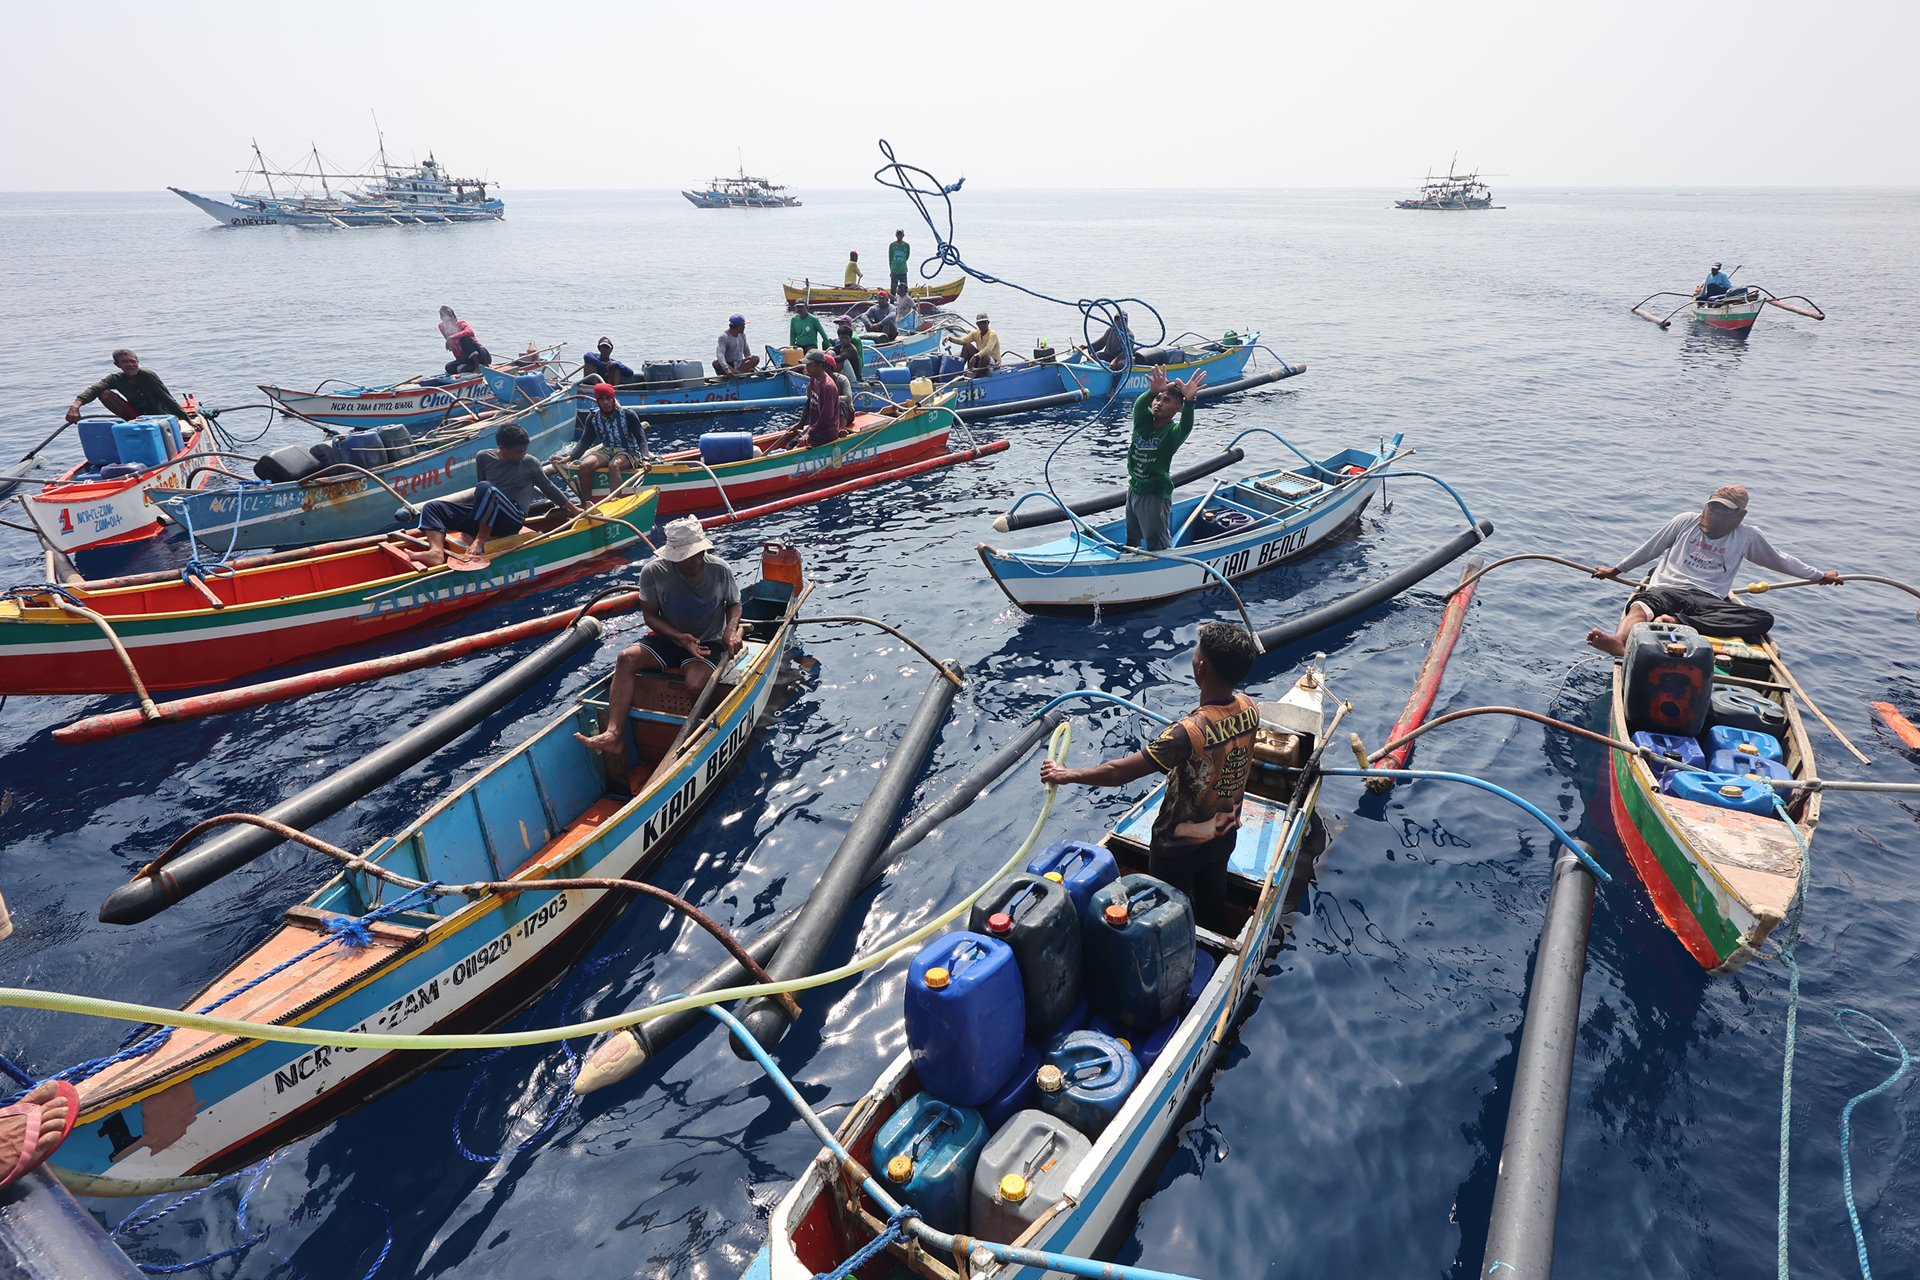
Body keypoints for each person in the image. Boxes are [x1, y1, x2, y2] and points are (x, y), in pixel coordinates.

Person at [1039, 621, 1262, 933]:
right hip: (1223, 834)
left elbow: (1119, 772)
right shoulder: (1251, 708)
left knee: (1166, 915)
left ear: (1201, 666)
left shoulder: (1186, 733)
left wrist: (1068, 774)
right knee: (1213, 900)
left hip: (1177, 849)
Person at [1584, 486, 1841, 654]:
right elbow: (1650, 548)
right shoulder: (1686, 521)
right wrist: (1616, 570)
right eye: (1714, 506)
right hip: (1667, 589)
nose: (1717, 513)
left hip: (1708, 601)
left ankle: (1675, 623)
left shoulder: (1747, 536)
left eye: (1725, 510)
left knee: (1761, 620)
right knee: (1640, 607)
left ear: (1740, 515)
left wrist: (1818, 575)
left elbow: (1781, 560)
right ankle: (1620, 641)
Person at [575, 517, 744, 759]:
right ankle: (614, 734)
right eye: (688, 556)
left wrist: (729, 631)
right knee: (625, 659)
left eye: (699, 554)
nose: (695, 561)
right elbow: (651, 616)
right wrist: (679, 637)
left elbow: (735, 603)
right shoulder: (653, 572)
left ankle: (705, 732)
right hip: (669, 638)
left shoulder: (719, 569)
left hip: (708, 642)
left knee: (695, 684)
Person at [408, 422, 579, 567]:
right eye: (519, 451)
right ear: (502, 449)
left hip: (512, 518)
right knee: (433, 507)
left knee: (487, 488)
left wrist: (574, 510)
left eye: (525, 450)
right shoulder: (484, 458)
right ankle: (436, 552)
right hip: (488, 514)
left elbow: (549, 488)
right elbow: (481, 494)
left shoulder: (530, 463)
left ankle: (481, 538)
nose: (523, 455)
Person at [1124, 366, 1209, 550]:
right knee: (1132, 536)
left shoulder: (1171, 434)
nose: (1159, 403)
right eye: (1157, 398)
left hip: (1154, 495)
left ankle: (1161, 567)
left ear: (1177, 408)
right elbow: (1139, 405)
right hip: (1134, 489)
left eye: (1166, 400)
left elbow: (1186, 426)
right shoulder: (1142, 422)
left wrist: (1190, 400)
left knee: (1157, 543)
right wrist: (1151, 391)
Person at [559, 382, 648, 505]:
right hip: (607, 450)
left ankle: (615, 502)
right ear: (597, 401)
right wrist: (569, 457)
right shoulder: (593, 417)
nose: (606, 402)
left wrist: (645, 458)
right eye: (602, 399)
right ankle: (587, 504)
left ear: (613, 399)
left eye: (608, 398)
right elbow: (585, 441)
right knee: (584, 466)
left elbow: (641, 438)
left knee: (614, 466)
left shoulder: (628, 414)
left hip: (629, 451)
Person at [65, 349, 193, 424]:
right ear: (117, 365)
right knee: (104, 393)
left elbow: (167, 399)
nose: (130, 365)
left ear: (138, 362)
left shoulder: (147, 375)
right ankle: (133, 426)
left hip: (162, 417)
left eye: (133, 361)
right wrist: (75, 406)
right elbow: (95, 389)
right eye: (125, 362)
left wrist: (188, 420)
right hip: (138, 418)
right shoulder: (116, 379)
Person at [775, 351, 843, 450]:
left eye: (809, 365)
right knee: (789, 445)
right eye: (806, 365)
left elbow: (826, 418)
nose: (806, 368)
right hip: (814, 429)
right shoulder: (813, 379)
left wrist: (809, 433)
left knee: (795, 450)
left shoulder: (828, 387)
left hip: (825, 433)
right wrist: (800, 423)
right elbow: (809, 404)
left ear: (820, 365)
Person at [438, 306, 492, 374]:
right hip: (467, 358)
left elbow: (470, 331)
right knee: (449, 367)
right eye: (446, 317)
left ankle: (477, 367)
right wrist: (458, 361)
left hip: (481, 355)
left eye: (451, 316)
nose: (449, 319)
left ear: (454, 317)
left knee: (465, 339)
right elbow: (454, 348)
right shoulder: (442, 327)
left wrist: (451, 337)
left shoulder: (461, 324)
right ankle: (471, 368)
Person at [830, 316, 865, 380]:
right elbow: (832, 350)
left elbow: (839, 358)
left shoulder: (851, 350)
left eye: (846, 338)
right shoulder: (840, 346)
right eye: (842, 338)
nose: (844, 340)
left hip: (855, 378)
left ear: (850, 339)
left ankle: (832, 375)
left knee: (844, 361)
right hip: (845, 374)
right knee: (831, 352)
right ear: (839, 337)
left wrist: (824, 359)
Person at [888, 230, 911, 297]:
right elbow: (890, 258)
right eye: (898, 234)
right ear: (896, 235)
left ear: (903, 235)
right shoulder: (892, 245)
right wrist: (891, 270)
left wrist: (901, 262)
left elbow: (907, 256)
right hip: (894, 270)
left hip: (903, 270)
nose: (899, 236)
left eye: (900, 234)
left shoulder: (906, 245)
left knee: (904, 289)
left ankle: (905, 303)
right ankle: (892, 304)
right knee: (893, 289)